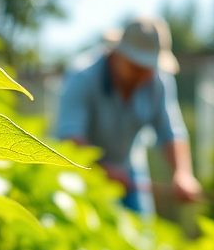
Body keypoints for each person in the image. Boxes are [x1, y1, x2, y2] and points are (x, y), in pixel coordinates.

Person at [56, 16, 202, 216]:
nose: (143, 77)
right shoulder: (83, 76)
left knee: (141, 234)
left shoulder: (158, 80)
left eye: (148, 69)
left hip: (129, 169)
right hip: (80, 173)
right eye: (137, 67)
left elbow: (170, 132)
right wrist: (103, 171)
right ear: (118, 54)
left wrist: (183, 174)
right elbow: (69, 139)